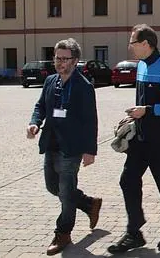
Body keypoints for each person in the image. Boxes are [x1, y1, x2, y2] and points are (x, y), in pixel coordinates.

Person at [108, 24, 160, 253]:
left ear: (146, 44)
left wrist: (148, 110)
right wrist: (137, 114)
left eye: (132, 42)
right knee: (128, 180)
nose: (129, 46)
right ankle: (134, 232)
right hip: (140, 137)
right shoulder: (141, 65)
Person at [27, 38, 101, 255]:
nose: (59, 63)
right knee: (54, 188)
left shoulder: (84, 87)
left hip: (72, 147)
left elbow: (90, 120)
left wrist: (90, 150)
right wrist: (34, 122)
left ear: (75, 61)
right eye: (57, 58)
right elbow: (40, 106)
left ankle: (63, 233)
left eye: (64, 59)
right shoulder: (50, 81)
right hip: (51, 143)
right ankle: (88, 203)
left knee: (66, 192)